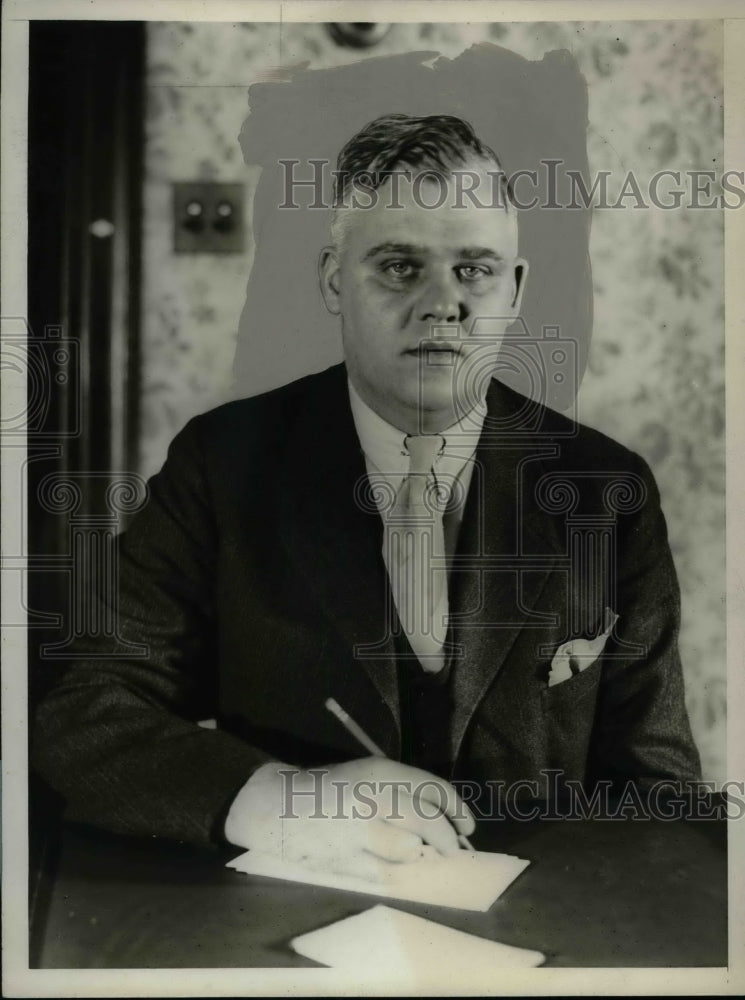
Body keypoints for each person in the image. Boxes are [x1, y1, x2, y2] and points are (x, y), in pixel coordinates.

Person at [32, 114, 700, 877]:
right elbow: (82, 703)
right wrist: (282, 801)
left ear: (512, 291)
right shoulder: (223, 464)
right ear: (331, 280)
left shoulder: (604, 490)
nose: (442, 304)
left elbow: (659, 794)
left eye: (473, 269)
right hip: (294, 932)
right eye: (398, 266)